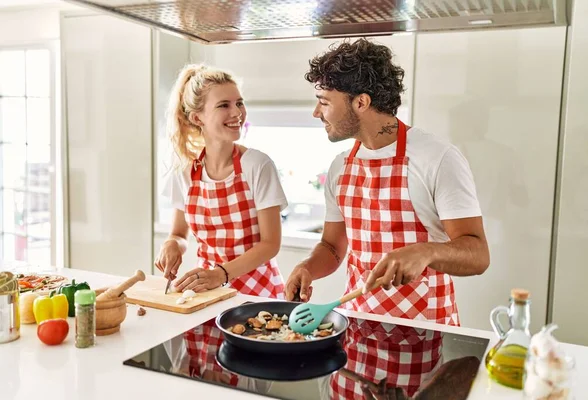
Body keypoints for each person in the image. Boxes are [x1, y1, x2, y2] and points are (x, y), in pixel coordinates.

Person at [284, 39, 490, 398]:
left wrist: (425, 252)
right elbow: (333, 247)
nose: (317, 113)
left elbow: (477, 254)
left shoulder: (436, 157)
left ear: (361, 102)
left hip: (426, 341)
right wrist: (308, 267)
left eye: (324, 102)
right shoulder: (340, 168)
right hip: (358, 336)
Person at [155, 64, 288, 298]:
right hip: (208, 292)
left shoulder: (257, 165)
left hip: (259, 295)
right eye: (223, 105)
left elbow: (270, 244)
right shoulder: (186, 171)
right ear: (198, 118)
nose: (237, 112)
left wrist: (221, 274)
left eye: (239, 103)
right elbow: (178, 233)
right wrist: (172, 244)